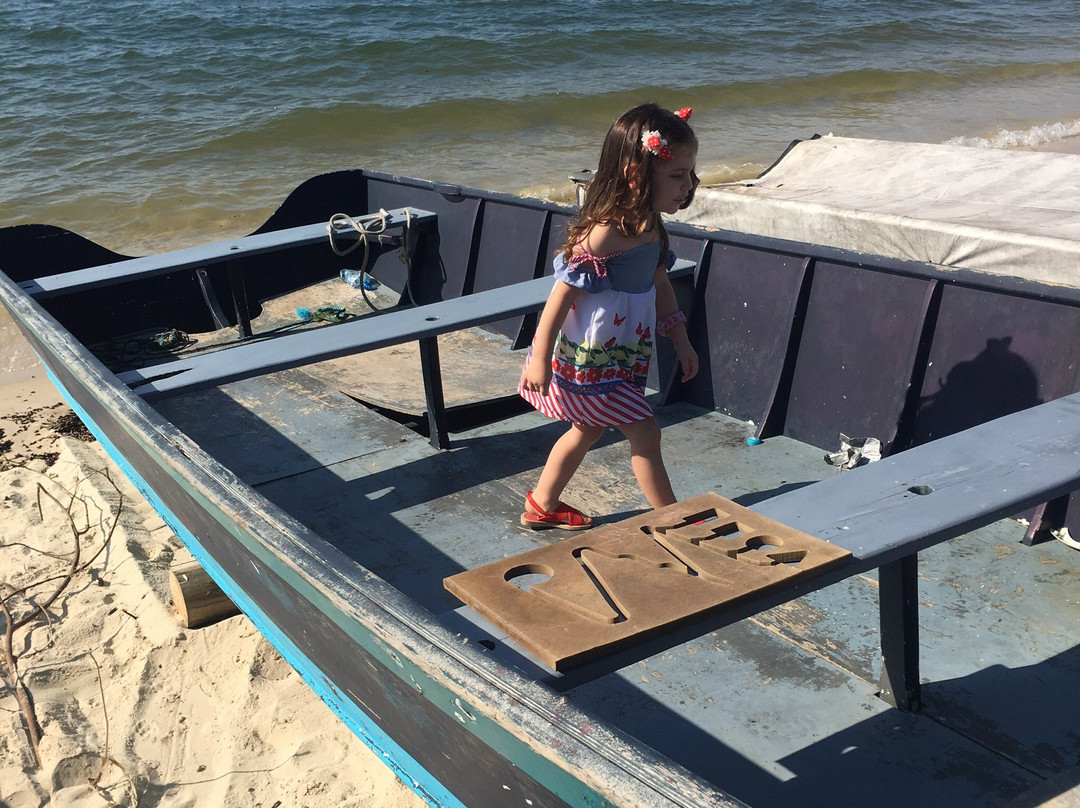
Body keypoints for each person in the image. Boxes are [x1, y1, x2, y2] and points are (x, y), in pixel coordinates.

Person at [518, 102, 700, 530]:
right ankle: (672, 519)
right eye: (677, 176)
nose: (688, 186)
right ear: (636, 176)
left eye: (691, 174)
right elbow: (560, 297)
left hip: (621, 353)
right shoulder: (605, 232)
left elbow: (659, 285)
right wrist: (540, 356)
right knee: (645, 433)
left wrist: (681, 339)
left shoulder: (652, 225)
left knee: (587, 429)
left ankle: (542, 504)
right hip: (592, 359)